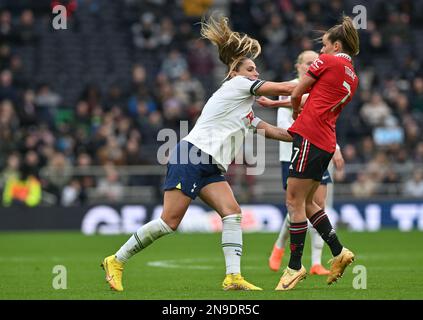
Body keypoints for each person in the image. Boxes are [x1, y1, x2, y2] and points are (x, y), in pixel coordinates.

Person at [101, 15, 297, 292]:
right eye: (251, 70)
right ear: (235, 73)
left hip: (211, 166)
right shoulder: (237, 86)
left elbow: (272, 131)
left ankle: (233, 277)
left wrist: (303, 135)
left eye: (256, 71)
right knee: (170, 222)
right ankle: (116, 260)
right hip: (192, 156)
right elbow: (284, 88)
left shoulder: (243, 110)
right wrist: (315, 80)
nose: (256, 74)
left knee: (232, 212)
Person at [274, 16, 360, 290]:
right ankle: (339, 251)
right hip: (326, 141)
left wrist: (296, 110)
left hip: (310, 138)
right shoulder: (352, 75)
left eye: (324, 46)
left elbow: (299, 91)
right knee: (310, 204)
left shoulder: (329, 61)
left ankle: (294, 267)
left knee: (293, 201)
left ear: (336, 45)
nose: (320, 52)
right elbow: (319, 98)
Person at [257, 50, 345, 276]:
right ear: (298, 66)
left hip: (316, 150)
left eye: (314, 62)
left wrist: (335, 148)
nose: (311, 66)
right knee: (298, 205)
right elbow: (291, 128)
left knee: (316, 205)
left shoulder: (320, 88)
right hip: (293, 154)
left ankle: (316, 262)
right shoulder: (292, 87)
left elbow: (325, 122)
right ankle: (280, 245)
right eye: (307, 62)